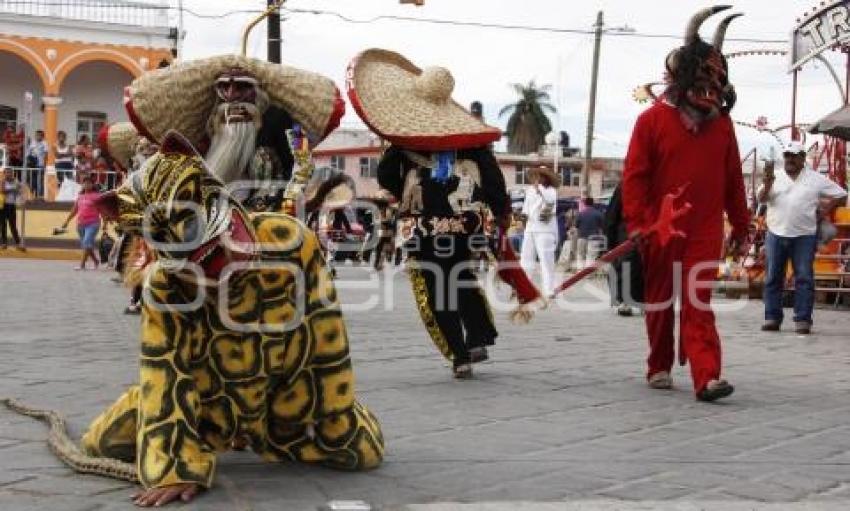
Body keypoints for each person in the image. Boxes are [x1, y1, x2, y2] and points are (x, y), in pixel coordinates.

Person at [350, 48, 519, 379]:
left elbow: (386, 178)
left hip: (422, 226)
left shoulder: (405, 140)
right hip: (466, 224)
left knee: (435, 285)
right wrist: (499, 213)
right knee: (462, 277)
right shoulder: (473, 140)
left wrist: (406, 187)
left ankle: (459, 355)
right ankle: (478, 338)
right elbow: (494, 180)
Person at [622, 6, 750, 402]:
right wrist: (640, 222)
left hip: (705, 230)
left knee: (699, 301)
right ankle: (658, 363)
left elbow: (733, 180)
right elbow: (635, 177)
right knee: (660, 299)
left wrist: (742, 226)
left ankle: (706, 376)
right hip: (660, 226)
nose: (709, 90)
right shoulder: (652, 121)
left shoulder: (723, 126)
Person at [758, 141, 847, 334]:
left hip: (804, 235)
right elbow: (761, 200)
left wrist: (825, 209)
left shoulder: (815, 178)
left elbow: (841, 194)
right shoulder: (775, 177)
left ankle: (803, 319)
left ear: (802, 158)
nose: (789, 159)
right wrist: (767, 185)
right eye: (787, 155)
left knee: (804, 278)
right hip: (775, 232)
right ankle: (772, 318)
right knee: (773, 277)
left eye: (793, 155)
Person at [520, 165, 560, 297]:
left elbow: (549, 203)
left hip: (545, 229)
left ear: (546, 177)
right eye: (537, 175)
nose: (538, 178)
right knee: (526, 259)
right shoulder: (530, 190)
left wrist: (539, 191)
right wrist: (523, 218)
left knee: (546, 260)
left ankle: (549, 289)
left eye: (541, 175)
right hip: (530, 228)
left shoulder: (552, 191)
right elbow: (526, 207)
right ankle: (525, 287)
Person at [605, 183, 643, 316]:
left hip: (629, 235)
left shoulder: (625, 185)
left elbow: (611, 217)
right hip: (634, 235)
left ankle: (624, 301)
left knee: (626, 265)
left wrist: (609, 243)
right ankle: (627, 301)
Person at [59, 176, 103, 270]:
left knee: (87, 242)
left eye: (89, 183)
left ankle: (82, 265)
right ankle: (95, 261)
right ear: (82, 185)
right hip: (81, 224)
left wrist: (106, 222)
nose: (87, 185)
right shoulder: (80, 196)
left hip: (93, 223)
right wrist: (67, 221)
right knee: (86, 244)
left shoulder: (97, 196)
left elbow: (103, 210)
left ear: (92, 185)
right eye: (85, 183)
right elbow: (75, 210)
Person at [575, 197, 605, 269]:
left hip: (582, 237)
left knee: (580, 255)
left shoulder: (580, 214)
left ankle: (579, 272)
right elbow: (602, 227)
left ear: (585, 204)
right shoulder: (598, 214)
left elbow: (576, 226)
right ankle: (588, 273)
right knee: (591, 256)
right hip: (594, 238)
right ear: (593, 203)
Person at [0, 168, 25, 250]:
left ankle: (18, 243)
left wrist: (18, 190)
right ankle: (4, 243)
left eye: (10, 173)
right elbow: (2, 190)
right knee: (3, 225)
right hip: (3, 205)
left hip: (12, 205)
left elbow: (20, 190)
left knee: (13, 225)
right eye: (7, 173)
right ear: (4, 174)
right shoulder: (2, 181)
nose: (9, 174)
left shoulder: (15, 181)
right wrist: (13, 189)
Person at [25, 129, 47, 198]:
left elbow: (46, 154)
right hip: (32, 165)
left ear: (42, 136)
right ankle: (32, 192)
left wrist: (45, 164)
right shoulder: (32, 143)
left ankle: (39, 195)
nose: (37, 137)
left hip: (40, 164)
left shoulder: (45, 143)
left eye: (39, 135)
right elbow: (28, 153)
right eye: (36, 135)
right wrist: (28, 159)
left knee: (40, 180)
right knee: (31, 179)